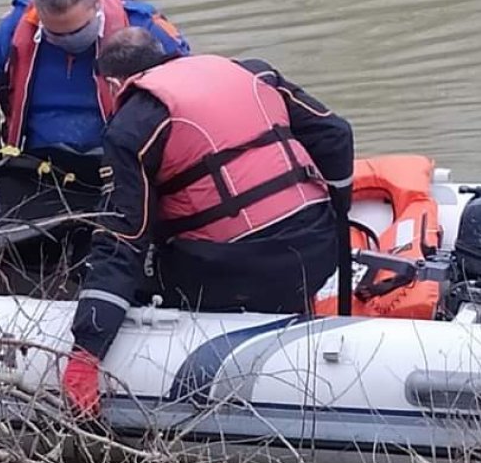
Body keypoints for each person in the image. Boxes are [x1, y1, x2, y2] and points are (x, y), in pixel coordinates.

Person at [60, 27, 355, 417]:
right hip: (318, 250)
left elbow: (122, 240)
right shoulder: (253, 72)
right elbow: (336, 134)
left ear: (113, 84)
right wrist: (337, 218)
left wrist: (86, 354)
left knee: (126, 264)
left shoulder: (133, 126)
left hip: (235, 273)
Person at [0, 0, 190, 182]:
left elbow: (188, 87)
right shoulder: (19, 24)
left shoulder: (141, 25)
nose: (67, 41)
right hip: (37, 167)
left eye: (76, 31)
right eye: (56, 35)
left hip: (121, 166)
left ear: (97, 4)